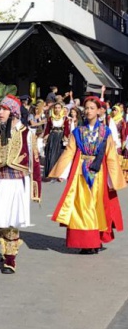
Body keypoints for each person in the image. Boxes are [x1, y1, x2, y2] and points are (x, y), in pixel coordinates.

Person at [49, 96, 126, 254]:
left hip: (99, 173)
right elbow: (70, 152)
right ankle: (86, 242)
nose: (89, 111)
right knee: (82, 206)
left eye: (92, 108)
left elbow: (110, 154)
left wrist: (114, 178)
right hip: (81, 172)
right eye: (87, 108)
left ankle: (95, 240)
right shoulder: (78, 131)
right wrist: (61, 171)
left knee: (97, 206)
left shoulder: (106, 132)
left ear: (99, 111)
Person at [0, 95, 42, 274]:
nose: (0, 113)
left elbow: (34, 163)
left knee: (12, 222)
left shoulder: (28, 134)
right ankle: (7, 250)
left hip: (16, 183)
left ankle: (10, 260)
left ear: (13, 112)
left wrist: (36, 190)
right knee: (0, 221)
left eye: (4, 109)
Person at [43, 101, 70, 179]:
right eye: (56, 108)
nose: (57, 109)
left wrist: (65, 137)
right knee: (51, 154)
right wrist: (45, 137)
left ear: (61, 109)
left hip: (60, 136)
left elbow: (67, 129)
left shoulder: (65, 118)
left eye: (59, 108)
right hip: (53, 136)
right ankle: (50, 173)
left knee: (59, 154)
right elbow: (47, 129)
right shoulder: (51, 118)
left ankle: (59, 173)